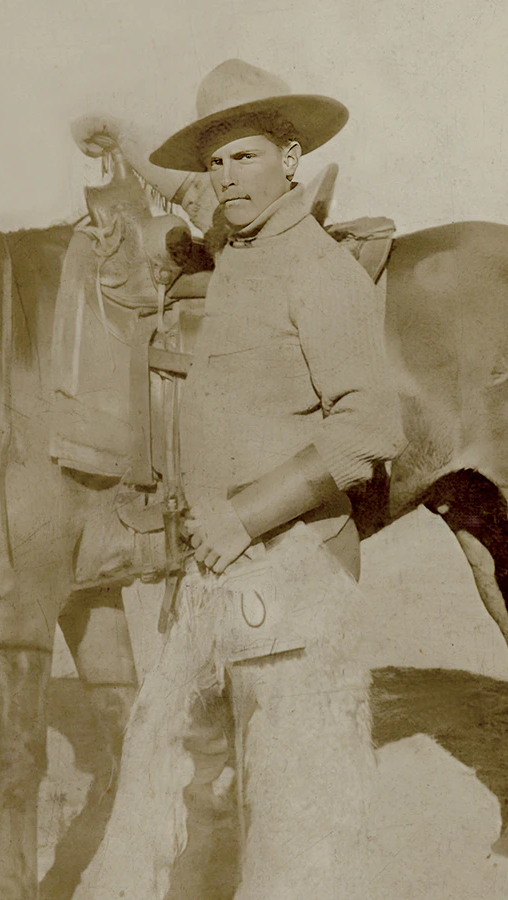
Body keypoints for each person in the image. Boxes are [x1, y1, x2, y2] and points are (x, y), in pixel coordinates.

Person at [71, 59, 406, 899]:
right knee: (169, 783)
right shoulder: (236, 241)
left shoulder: (317, 270)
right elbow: (184, 189)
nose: (226, 177)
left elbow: (370, 428)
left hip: (295, 570)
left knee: (297, 827)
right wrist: (124, 134)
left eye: (245, 157)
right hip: (218, 579)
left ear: (291, 159)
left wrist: (243, 517)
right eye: (216, 162)